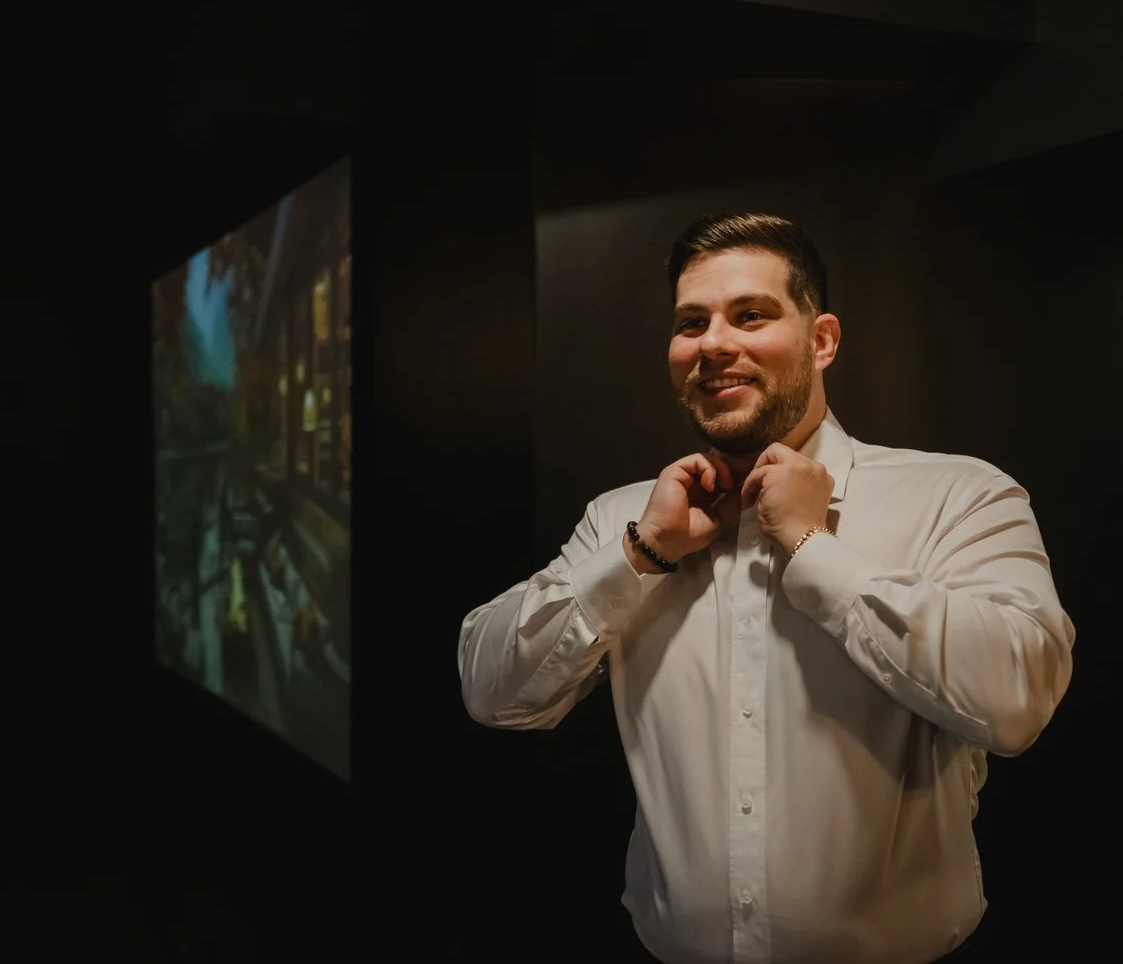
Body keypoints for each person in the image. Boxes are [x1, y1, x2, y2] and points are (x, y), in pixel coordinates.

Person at [457, 213, 1075, 964]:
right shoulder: (624, 519)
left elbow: (1018, 700)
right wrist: (640, 556)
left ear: (822, 341)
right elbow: (492, 692)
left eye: (750, 315)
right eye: (692, 322)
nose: (714, 344)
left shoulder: (959, 495)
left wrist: (814, 551)